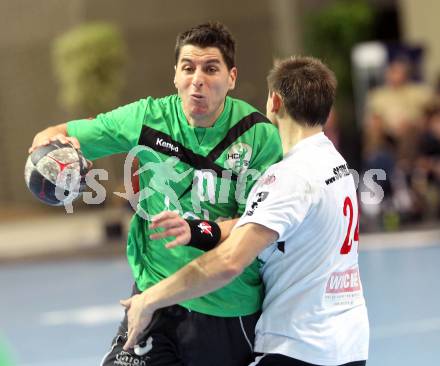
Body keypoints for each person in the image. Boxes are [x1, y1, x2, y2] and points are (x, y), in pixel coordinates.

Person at [29, 22, 283, 366]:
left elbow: (255, 227)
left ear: (231, 77)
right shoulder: (148, 118)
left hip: (226, 307)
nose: (198, 79)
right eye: (188, 68)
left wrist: (195, 231)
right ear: (175, 75)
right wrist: (61, 154)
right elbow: (57, 134)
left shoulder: (258, 136)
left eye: (211, 69)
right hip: (156, 298)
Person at [121, 56, 369, 366]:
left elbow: (228, 262)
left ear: (274, 101)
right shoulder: (335, 164)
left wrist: (150, 299)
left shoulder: (290, 176)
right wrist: (196, 230)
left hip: (299, 346)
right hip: (348, 344)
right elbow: (257, 224)